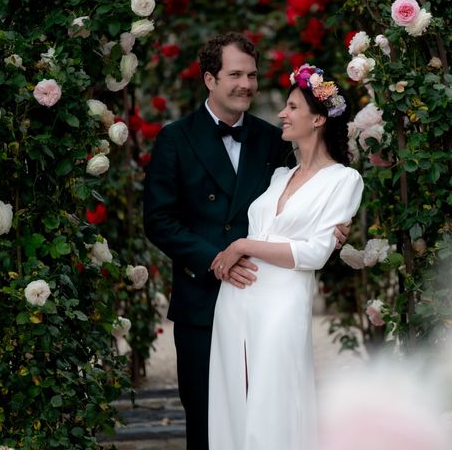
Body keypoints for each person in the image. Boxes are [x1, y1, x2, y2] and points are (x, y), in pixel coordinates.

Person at [143, 34, 349, 450]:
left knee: (263, 422)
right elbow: (159, 221)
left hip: (264, 299)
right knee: (208, 424)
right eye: (235, 74)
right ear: (209, 79)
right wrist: (218, 258)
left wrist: (332, 227)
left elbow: (301, 197)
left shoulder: (273, 140)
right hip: (202, 299)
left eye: (252, 75)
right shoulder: (175, 139)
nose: (247, 84)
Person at [208, 64, 364, 450]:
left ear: (317, 119)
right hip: (236, 297)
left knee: (275, 399)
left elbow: (314, 252)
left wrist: (242, 246)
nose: (282, 113)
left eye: (292, 107)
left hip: (284, 301)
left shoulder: (344, 180)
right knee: (232, 399)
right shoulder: (279, 175)